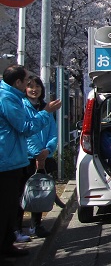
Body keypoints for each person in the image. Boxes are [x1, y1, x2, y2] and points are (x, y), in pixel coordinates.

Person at [0, 65, 61, 260]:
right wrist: (46, 112)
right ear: (18, 83)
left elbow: (50, 132)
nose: (30, 85)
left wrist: (47, 150)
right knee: (9, 205)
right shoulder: (8, 99)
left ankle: (8, 243)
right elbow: (25, 128)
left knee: (10, 205)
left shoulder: (11, 97)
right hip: (7, 160)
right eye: (27, 81)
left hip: (13, 159)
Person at [19, 76, 67, 238]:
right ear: (24, 89)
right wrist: (38, 152)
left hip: (44, 156)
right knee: (23, 192)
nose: (34, 89)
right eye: (30, 86)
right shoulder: (21, 106)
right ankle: (17, 227)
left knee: (40, 191)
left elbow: (53, 132)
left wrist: (48, 149)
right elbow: (26, 132)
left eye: (37, 86)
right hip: (26, 157)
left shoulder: (46, 107)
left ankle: (36, 225)